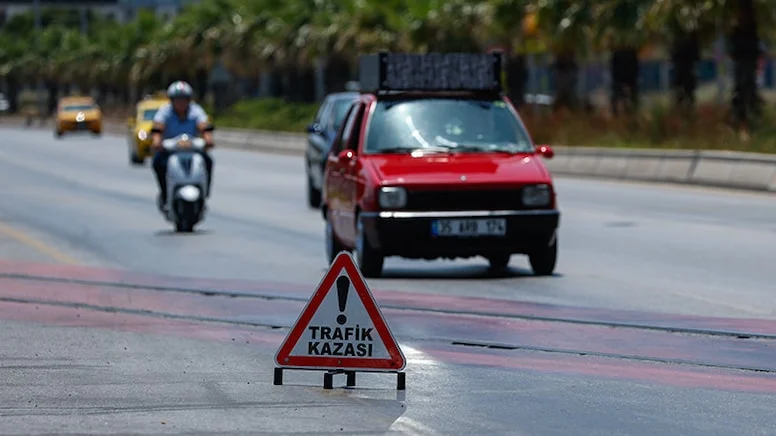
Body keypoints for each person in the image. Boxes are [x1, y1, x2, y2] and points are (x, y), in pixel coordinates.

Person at [150, 81, 215, 212]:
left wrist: (208, 139)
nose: (181, 102)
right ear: (172, 100)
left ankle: (204, 193)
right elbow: (158, 128)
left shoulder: (196, 110)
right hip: (171, 150)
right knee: (157, 162)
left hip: (192, 149)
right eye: (177, 99)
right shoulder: (165, 111)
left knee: (208, 161)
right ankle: (165, 194)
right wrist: (157, 141)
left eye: (184, 99)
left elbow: (203, 126)